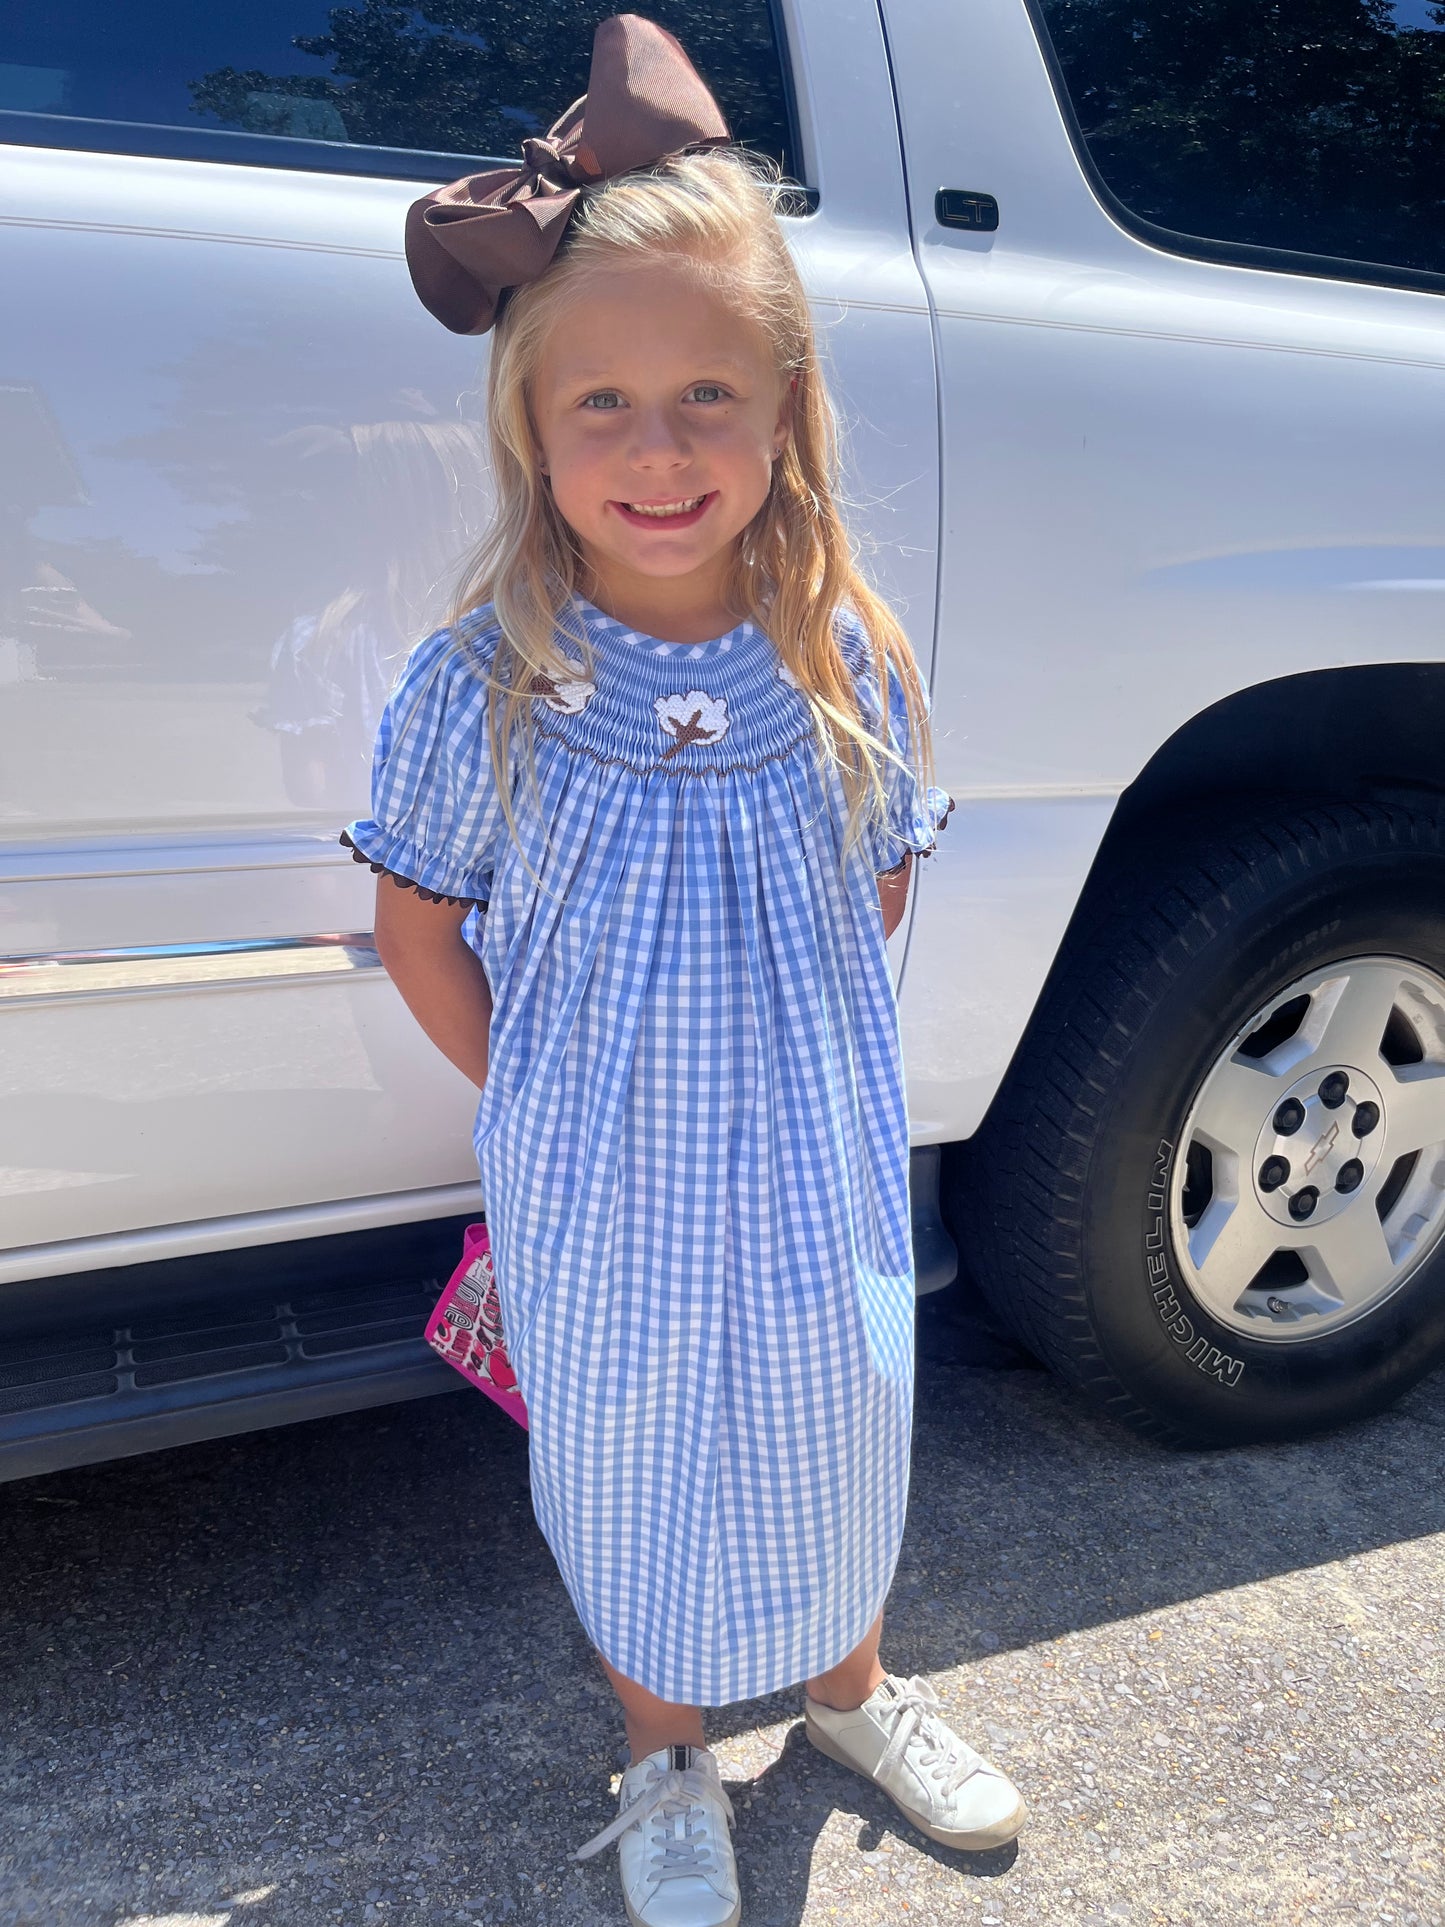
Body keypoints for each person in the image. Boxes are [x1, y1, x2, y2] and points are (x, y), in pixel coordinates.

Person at [340, 17, 1025, 1925]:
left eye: (711, 396)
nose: (659, 450)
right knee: (639, 1453)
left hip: (810, 1156)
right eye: (604, 408)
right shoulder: (483, 684)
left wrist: (775, 1060)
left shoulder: (844, 658)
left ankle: (849, 1690)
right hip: (600, 1178)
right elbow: (418, 923)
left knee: (834, 1406)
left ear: (788, 410)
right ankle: (660, 1749)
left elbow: (872, 890)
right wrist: (554, 1082)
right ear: (530, 431)